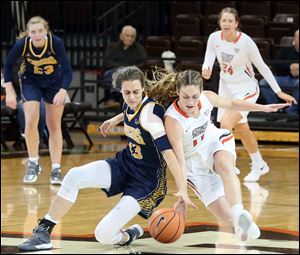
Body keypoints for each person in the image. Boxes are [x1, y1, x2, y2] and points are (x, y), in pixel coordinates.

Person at [18, 66, 196, 251]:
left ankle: (130, 233)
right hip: (125, 164)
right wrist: (115, 120)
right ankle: (44, 231)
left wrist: (183, 189)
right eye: (127, 92)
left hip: (147, 182)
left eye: (136, 92)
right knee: (73, 176)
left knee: (103, 234)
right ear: (120, 90)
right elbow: (129, 110)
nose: (132, 97)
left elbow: (169, 154)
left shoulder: (151, 117)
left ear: (143, 88)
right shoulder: (130, 103)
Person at [146, 69, 288, 241]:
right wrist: (183, 193)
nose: (191, 102)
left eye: (195, 96)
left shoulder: (207, 97)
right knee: (228, 221)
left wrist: (263, 108)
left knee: (224, 166)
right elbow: (180, 161)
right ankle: (237, 221)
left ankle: (239, 212)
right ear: (177, 92)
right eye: (185, 97)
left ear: (201, 91)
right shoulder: (173, 120)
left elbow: (232, 103)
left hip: (213, 142)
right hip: (193, 164)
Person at [201, 7, 297, 182]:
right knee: (242, 129)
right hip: (226, 87)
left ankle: (228, 165)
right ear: (219, 23)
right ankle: (259, 164)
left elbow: (262, 67)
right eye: (224, 20)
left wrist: (279, 91)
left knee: (225, 123)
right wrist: (205, 69)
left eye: (230, 21)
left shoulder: (245, 42)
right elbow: (209, 57)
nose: (227, 23)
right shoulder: (214, 38)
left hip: (246, 89)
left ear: (237, 24)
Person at [3, 16, 72, 185]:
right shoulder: (22, 44)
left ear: (46, 31)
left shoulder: (56, 43)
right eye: (33, 32)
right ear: (29, 33)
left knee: (54, 125)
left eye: (40, 31)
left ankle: (56, 169)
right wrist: (10, 91)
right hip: (30, 81)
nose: (37, 34)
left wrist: (63, 91)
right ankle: (33, 163)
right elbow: (7, 66)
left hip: (54, 82)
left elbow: (68, 71)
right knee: (30, 121)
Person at [102, 25, 147, 107]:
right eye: (127, 36)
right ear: (121, 36)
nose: (129, 38)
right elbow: (107, 61)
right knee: (119, 73)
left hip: (130, 75)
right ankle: (114, 100)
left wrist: (130, 69)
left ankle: (112, 100)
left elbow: (144, 62)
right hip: (111, 73)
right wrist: (122, 69)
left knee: (125, 75)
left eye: (132, 36)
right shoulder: (112, 46)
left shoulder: (139, 48)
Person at [259, 29, 299, 115]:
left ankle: (292, 111)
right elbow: (276, 64)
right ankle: (275, 108)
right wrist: (289, 66)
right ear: (294, 39)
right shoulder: (285, 51)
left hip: (297, 81)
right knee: (264, 82)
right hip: (283, 78)